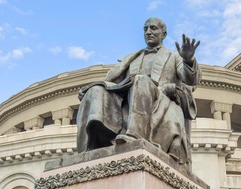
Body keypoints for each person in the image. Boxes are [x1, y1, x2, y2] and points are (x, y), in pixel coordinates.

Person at [76, 17, 201, 165]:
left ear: (164, 34)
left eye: (153, 28)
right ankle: (92, 144)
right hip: (129, 97)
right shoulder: (132, 58)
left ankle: (135, 135)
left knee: (141, 80)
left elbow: (191, 80)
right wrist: (92, 88)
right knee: (95, 90)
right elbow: (112, 83)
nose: (148, 32)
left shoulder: (174, 57)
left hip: (160, 99)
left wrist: (188, 60)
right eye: (145, 29)